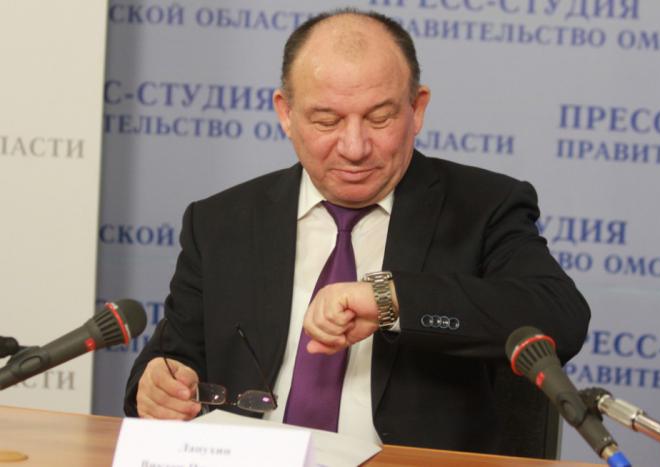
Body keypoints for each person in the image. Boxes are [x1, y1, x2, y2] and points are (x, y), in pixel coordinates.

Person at [124, 9, 590, 454]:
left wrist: (390, 299)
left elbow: (560, 318)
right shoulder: (220, 222)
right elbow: (173, 355)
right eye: (326, 121)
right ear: (286, 113)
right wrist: (158, 385)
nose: (354, 147)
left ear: (417, 109)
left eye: (379, 118)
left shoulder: (483, 207)